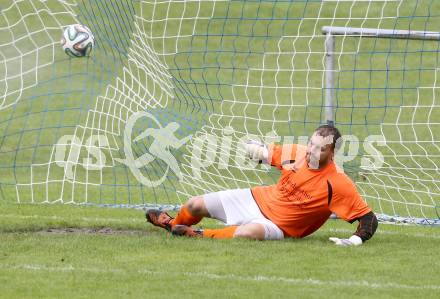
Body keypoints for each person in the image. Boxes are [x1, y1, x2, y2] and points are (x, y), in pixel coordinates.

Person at [145, 125, 378, 246]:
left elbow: (369, 219)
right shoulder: (295, 152)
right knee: (194, 205)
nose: (312, 151)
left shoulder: (337, 182)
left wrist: (355, 240)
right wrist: (255, 150)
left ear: (333, 152)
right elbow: (265, 153)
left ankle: (196, 235)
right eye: (311, 144)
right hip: (258, 199)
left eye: (320, 148)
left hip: (280, 227)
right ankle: (172, 224)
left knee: (249, 233)